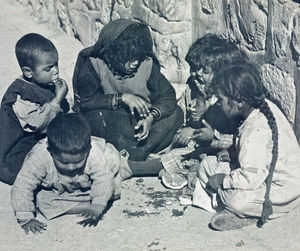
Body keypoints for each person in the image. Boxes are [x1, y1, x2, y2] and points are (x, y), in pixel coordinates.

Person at [193, 63, 300, 231]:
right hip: (261, 175)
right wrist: (233, 152)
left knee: (236, 201)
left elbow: (250, 178)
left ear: (239, 102)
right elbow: (256, 156)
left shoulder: (256, 129)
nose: (219, 104)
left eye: (221, 100)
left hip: (284, 192)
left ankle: (245, 214)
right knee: (207, 165)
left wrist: (223, 180)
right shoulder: (260, 107)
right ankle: (236, 211)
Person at [72, 19, 183, 161]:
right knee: (93, 118)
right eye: (129, 57)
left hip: (140, 125)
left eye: (138, 57)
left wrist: (150, 118)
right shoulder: (95, 64)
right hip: (111, 124)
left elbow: (167, 96)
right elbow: (86, 101)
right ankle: (137, 154)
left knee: (176, 113)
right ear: (113, 53)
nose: (136, 62)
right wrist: (121, 98)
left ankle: (136, 153)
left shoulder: (146, 64)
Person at [11, 113, 132, 234]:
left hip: (95, 172)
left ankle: (131, 168)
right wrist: (26, 218)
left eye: (78, 162)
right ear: (50, 151)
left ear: (88, 149)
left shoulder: (94, 152)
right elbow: (23, 184)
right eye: (64, 163)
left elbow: (103, 177)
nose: (71, 167)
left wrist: (98, 205)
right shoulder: (40, 157)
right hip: (64, 185)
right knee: (42, 201)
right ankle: (91, 202)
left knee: (111, 170)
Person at [159, 34, 248, 189]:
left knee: (190, 159)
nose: (198, 74)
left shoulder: (227, 100)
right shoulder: (195, 88)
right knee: (177, 155)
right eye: (195, 68)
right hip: (204, 146)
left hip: (224, 151)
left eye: (204, 70)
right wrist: (193, 124)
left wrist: (213, 136)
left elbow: (238, 137)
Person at [0, 33, 69, 185]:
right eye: (48, 68)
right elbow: (40, 124)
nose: (56, 71)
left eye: (56, 64)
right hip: (17, 157)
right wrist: (57, 99)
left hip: (33, 142)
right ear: (28, 72)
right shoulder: (21, 96)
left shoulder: (41, 84)